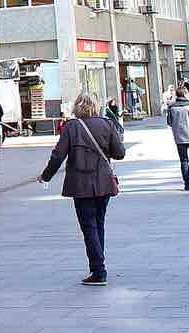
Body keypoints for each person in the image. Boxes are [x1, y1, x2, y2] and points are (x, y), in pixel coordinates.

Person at [38, 91, 126, 286]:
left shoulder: (72, 127)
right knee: (98, 224)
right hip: (103, 182)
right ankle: (98, 265)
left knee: (89, 227)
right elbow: (120, 153)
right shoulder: (107, 124)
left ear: (77, 106)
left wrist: (46, 176)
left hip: (81, 184)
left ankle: (98, 270)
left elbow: (58, 155)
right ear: (96, 105)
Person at [166, 86, 189, 191]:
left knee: (184, 160)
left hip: (179, 137)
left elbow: (169, 122)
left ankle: (187, 183)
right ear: (185, 94)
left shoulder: (172, 107)